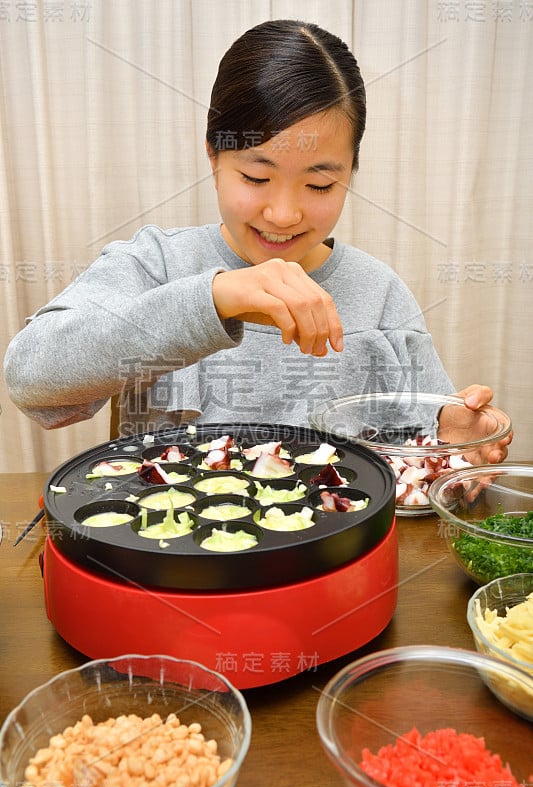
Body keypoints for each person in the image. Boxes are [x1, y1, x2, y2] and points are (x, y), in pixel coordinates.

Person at [3, 19, 511, 462]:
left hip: (330, 557)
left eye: (318, 184)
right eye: (256, 176)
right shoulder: (157, 262)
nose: (284, 214)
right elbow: (30, 378)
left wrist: (456, 436)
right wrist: (218, 298)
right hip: (172, 553)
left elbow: (424, 449)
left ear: (351, 173)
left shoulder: (379, 295)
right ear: (214, 157)